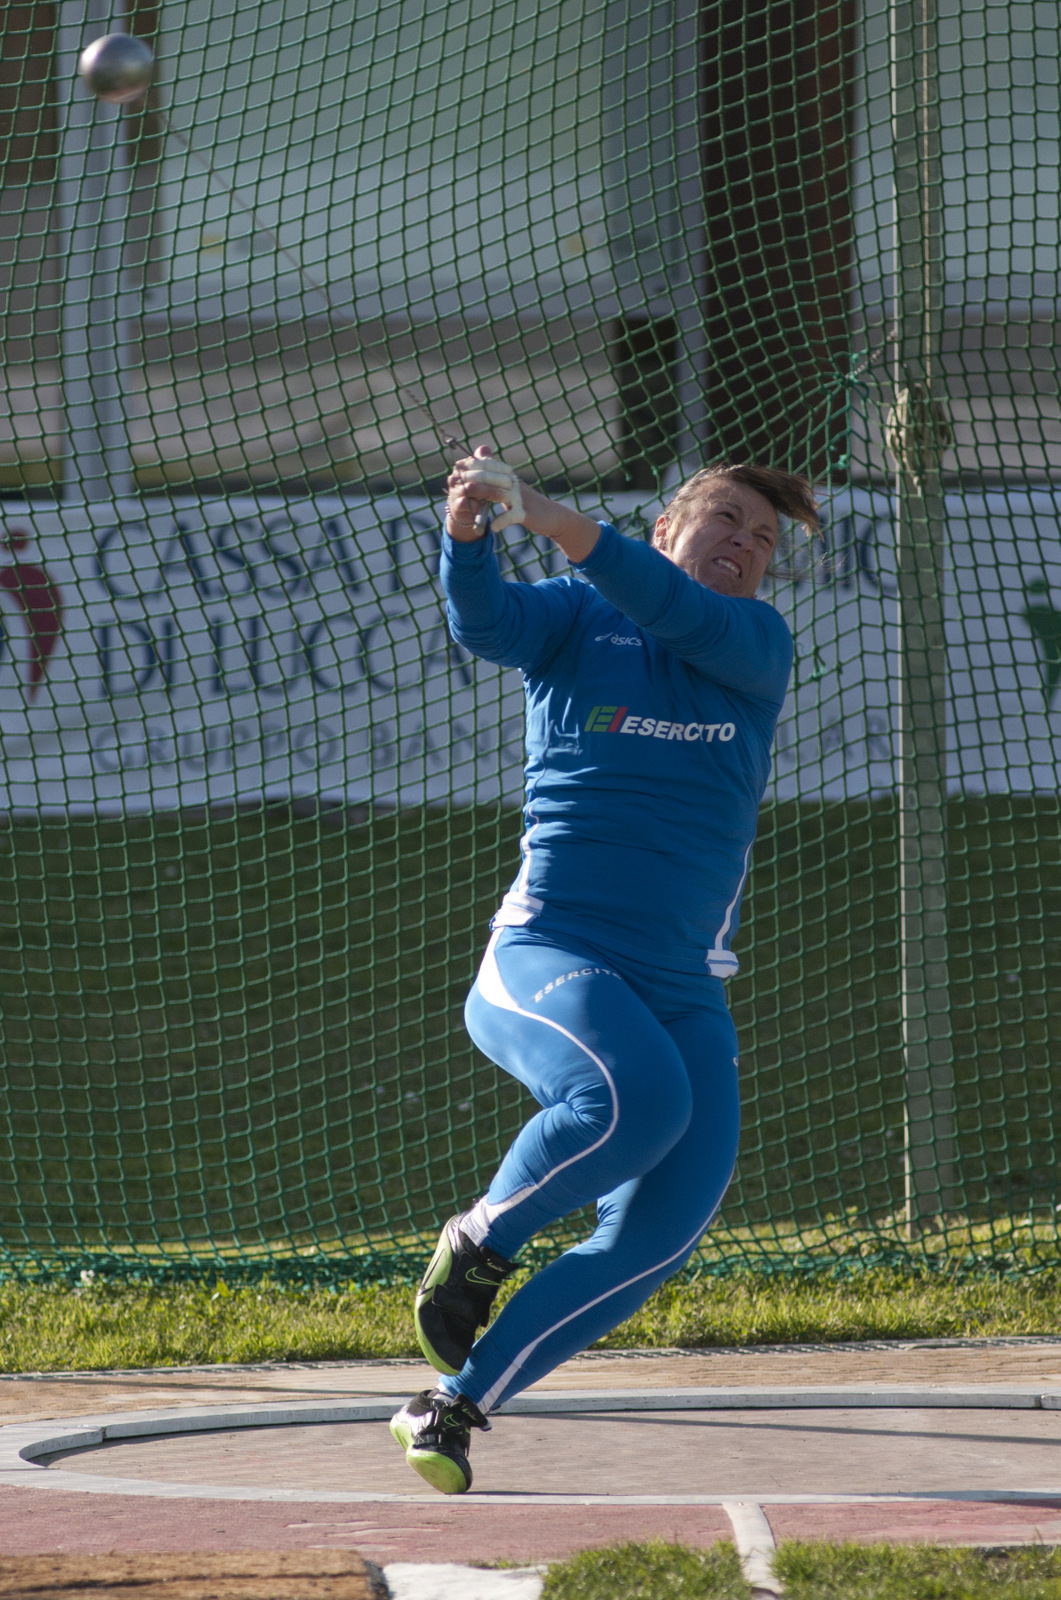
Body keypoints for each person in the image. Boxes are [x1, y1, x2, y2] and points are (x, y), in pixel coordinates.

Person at [390, 447, 820, 1493]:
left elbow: (669, 608)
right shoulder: (581, 615)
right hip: (551, 951)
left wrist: (542, 508)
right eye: (722, 518)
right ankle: (481, 1238)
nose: (743, 544)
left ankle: (452, 1404)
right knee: (633, 1098)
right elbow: (484, 622)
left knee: (661, 1226)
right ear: (669, 526)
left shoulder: (752, 641)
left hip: (679, 982)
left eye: (761, 538)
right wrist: (469, 532)